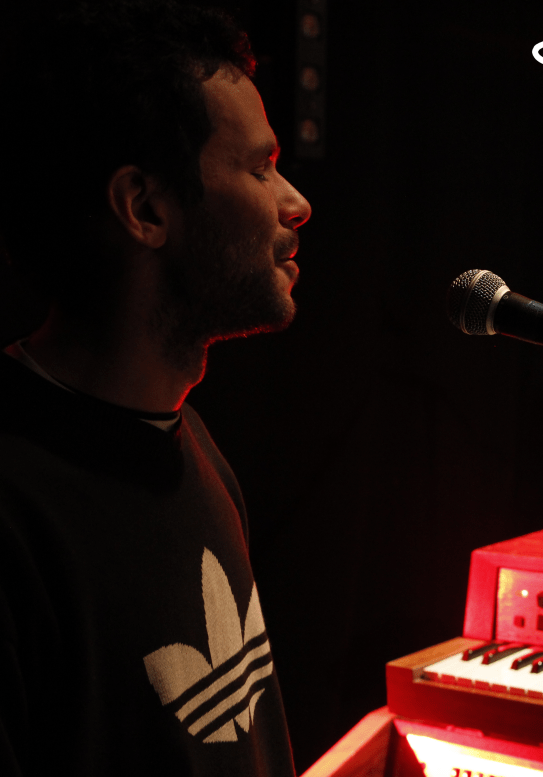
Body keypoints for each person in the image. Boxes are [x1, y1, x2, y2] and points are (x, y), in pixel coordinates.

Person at [0, 1, 310, 774]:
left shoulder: (187, 438)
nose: (296, 203)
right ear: (144, 207)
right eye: (260, 167)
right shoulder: (13, 507)